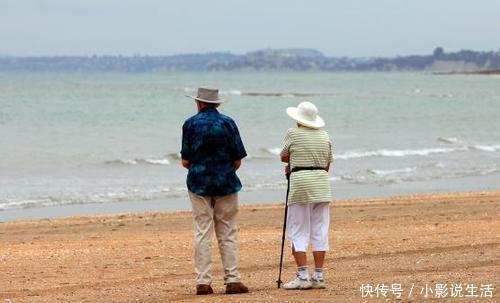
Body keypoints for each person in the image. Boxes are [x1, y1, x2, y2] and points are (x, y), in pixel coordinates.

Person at [181, 87, 249, 295]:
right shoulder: (228, 123)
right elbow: (238, 159)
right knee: (227, 231)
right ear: (217, 103)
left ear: (199, 103)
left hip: (198, 183)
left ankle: (203, 281)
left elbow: (185, 161)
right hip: (226, 182)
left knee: (202, 231)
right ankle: (233, 280)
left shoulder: (190, 124)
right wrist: (225, 169)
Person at [280, 101, 334, 290]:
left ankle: (303, 275)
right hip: (321, 184)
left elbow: (284, 156)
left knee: (298, 229)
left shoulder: (292, 133)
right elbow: (327, 165)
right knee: (320, 230)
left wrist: (294, 163)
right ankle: (318, 276)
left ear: (298, 119)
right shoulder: (325, 135)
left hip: (301, 184)